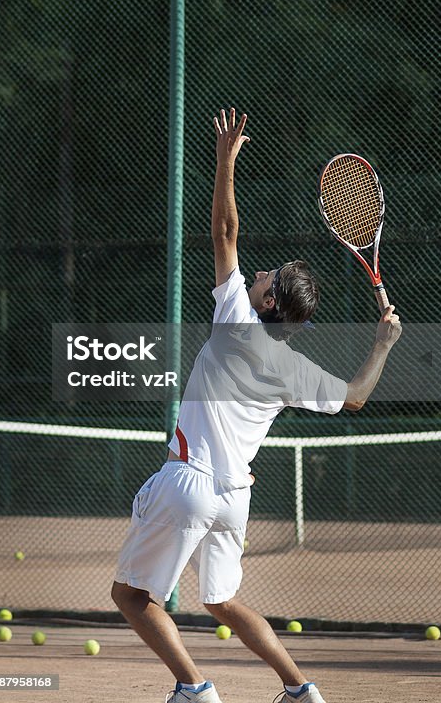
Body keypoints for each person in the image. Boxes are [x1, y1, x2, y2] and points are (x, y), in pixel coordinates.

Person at [112, 108, 402, 703]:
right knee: (220, 602)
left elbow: (224, 234)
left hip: (188, 482)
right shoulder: (293, 367)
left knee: (131, 598)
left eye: (263, 279)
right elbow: (355, 398)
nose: (256, 275)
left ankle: (194, 689)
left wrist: (224, 158)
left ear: (268, 306)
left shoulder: (236, 320)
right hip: (235, 500)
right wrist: (382, 344)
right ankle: (301, 692)